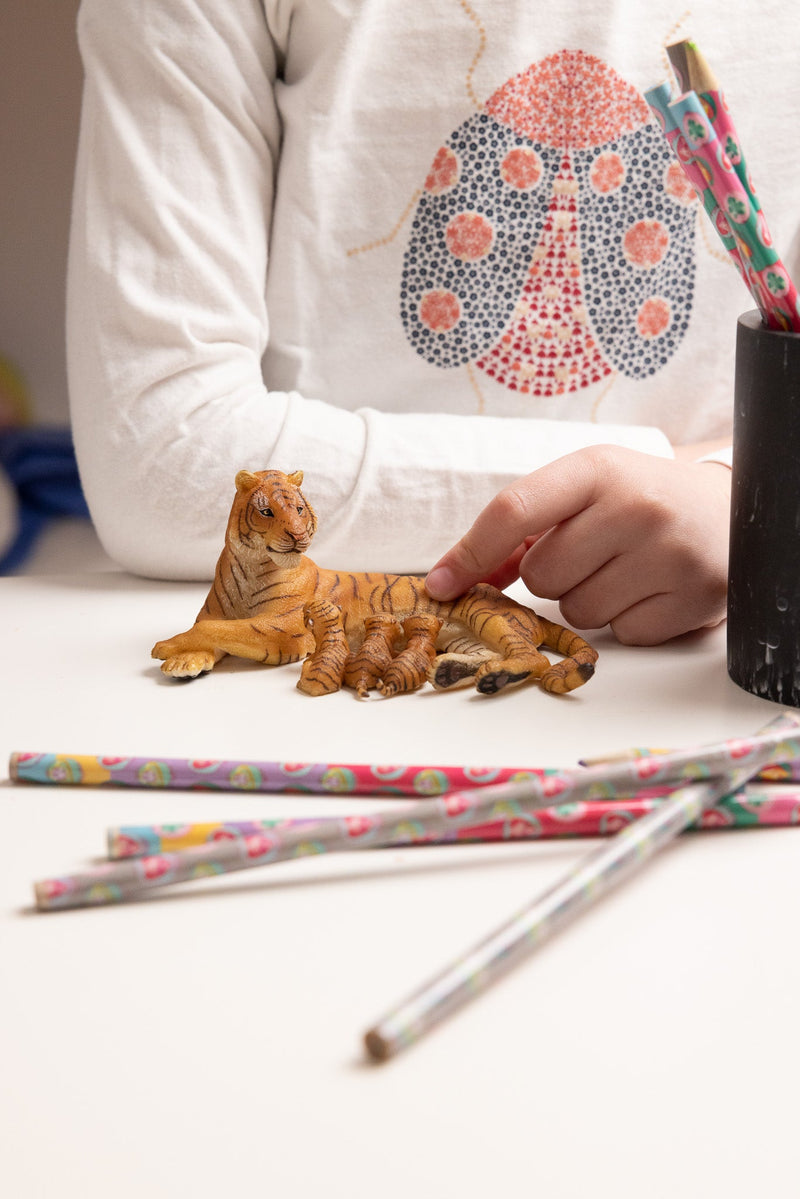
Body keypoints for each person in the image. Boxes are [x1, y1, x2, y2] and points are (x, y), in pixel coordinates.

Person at [66, 0, 800, 644]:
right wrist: (716, 481)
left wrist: (740, 498)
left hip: (701, 653)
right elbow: (161, 454)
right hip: (330, 633)